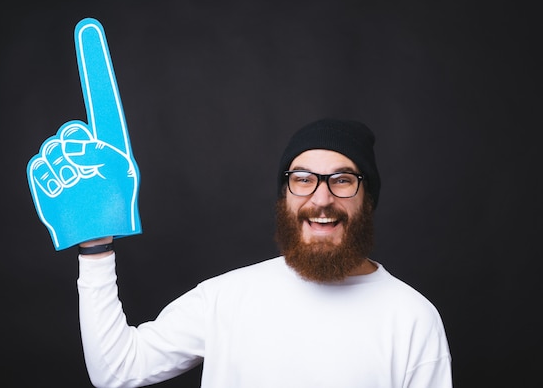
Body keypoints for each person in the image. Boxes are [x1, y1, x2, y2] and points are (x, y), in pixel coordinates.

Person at [76, 118, 453, 387]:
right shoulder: (226, 298)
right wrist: (95, 245)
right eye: (303, 180)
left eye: (342, 180)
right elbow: (117, 368)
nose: (321, 199)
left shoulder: (413, 319)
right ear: (284, 197)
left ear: (367, 199)